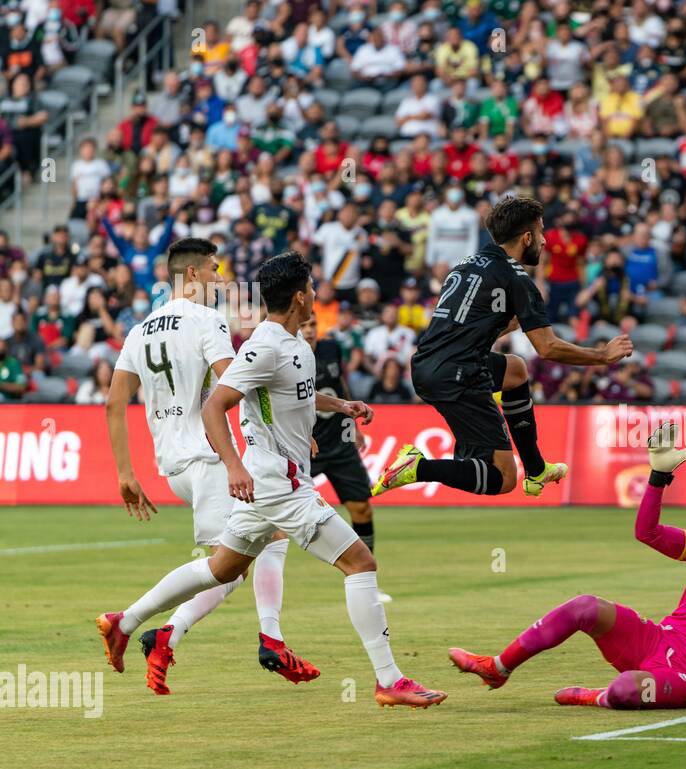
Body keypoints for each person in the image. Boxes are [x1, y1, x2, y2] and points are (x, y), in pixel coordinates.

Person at [96, 252, 444, 709]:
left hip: (265, 489)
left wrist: (340, 407)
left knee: (221, 570)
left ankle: (126, 622)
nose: (317, 295)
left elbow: (289, 393)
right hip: (278, 484)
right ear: (300, 296)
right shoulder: (266, 345)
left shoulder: (291, 344)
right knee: (360, 564)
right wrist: (235, 467)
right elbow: (215, 405)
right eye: (313, 288)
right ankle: (389, 680)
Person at [446, 423, 686, 711]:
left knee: (629, 689)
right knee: (584, 607)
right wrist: (659, 478)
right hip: (657, 640)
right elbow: (648, 533)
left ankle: (595, 696)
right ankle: (498, 667)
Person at [100, 238, 294, 694]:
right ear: (191, 276)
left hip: (173, 465)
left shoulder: (139, 330)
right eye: (213, 268)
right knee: (227, 566)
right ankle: (128, 623)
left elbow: (113, 403)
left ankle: (266, 638)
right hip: (209, 461)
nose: (221, 277)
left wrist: (125, 474)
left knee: (269, 534)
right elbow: (237, 385)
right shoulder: (208, 321)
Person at [372, 195, 632, 500]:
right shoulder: (516, 278)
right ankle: (418, 468)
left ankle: (535, 469)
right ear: (526, 238)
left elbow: (478, 321)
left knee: (515, 369)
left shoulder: (467, 264)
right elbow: (547, 349)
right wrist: (602, 355)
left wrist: (523, 318)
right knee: (504, 478)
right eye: (541, 233)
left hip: (430, 364)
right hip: (459, 373)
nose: (545, 241)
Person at [302, 312, 392, 604]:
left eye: (313, 325)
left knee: (362, 510)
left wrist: (353, 423)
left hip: (340, 444)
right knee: (276, 521)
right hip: (306, 447)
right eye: (303, 326)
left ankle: (367, 583)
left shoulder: (330, 349)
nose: (309, 331)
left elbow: (339, 384)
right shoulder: (287, 355)